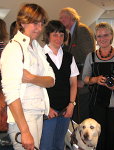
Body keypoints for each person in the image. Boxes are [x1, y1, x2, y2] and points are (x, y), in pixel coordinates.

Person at [0, 3, 55, 150]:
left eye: (41, 23)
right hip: (22, 117)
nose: (39, 27)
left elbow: (51, 80)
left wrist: (31, 78)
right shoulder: (13, 49)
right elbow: (11, 95)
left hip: (38, 112)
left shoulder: (36, 46)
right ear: (23, 22)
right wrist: (24, 131)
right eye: (34, 22)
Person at [82, 22, 114, 150]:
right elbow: (85, 78)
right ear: (96, 39)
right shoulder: (91, 56)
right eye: (99, 36)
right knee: (97, 134)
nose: (102, 38)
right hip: (96, 101)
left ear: (111, 36)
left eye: (106, 35)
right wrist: (95, 79)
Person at [40, 20, 79, 150]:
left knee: (59, 144)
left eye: (61, 35)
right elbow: (36, 86)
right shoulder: (40, 56)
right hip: (48, 110)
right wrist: (47, 107)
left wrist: (71, 104)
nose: (59, 38)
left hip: (65, 109)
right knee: (46, 145)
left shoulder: (69, 57)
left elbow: (73, 83)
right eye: (55, 34)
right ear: (48, 36)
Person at [59, 7, 95, 73]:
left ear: (72, 17)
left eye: (63, 17)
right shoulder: (71, 32)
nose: (61, 20)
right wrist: (60, 44)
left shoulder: (81, 29)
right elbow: (72, 51)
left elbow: (89, 56)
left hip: (82, 72)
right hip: (76, 71)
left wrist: (82, 78)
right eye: (60, 18)